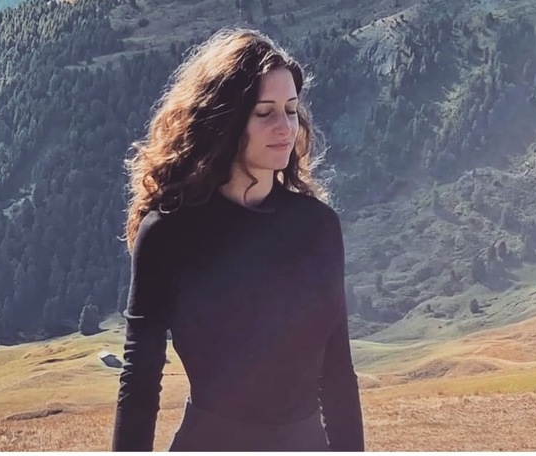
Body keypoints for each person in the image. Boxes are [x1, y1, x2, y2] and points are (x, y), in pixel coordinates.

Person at [111, 28, 365, 452]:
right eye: (264, 113)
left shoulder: (318, 227)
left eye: (291, 110)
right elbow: (139, 377)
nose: (285, 127)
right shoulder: (168, 233)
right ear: (225, 120)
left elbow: (337, 372)